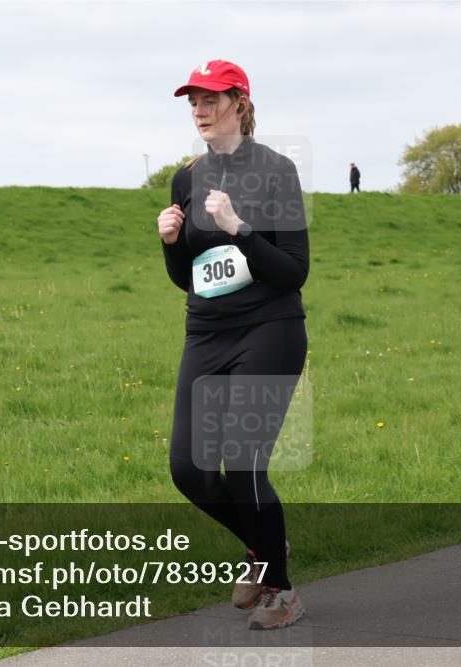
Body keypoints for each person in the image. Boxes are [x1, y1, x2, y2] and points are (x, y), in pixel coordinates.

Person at [157, 59, 310, 631]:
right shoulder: (186, 177)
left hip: (270, 329)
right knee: (188, 470)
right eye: (193, 100)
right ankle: (264, 546)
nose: (200, 109)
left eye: (212, 99)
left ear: (240, 103)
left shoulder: (277, 171)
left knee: (245, 460)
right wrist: (172, 244)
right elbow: (188, 276)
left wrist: (240, 230)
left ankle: (282, 592)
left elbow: (294, 271)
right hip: (206, 334)